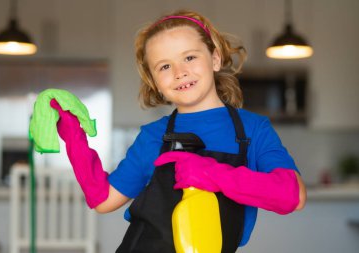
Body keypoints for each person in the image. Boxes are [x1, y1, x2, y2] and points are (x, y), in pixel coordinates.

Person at [49, 9, 306, 253]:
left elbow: (292, 195)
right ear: (155, 83)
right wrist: (73, 137)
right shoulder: (152, 136)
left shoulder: (253, 129)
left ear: (215, 59)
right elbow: (103, 199)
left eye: (190, 57)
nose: (180, 72)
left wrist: (211, 173)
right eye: (164, 66)